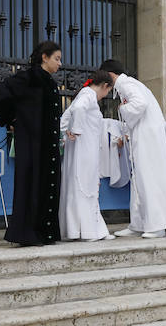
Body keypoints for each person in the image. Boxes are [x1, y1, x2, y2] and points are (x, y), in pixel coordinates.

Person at [0, 41, 64, 246]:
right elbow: (0, 94)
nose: (59, 63)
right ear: (44, 57)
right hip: (31, 142)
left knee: (47, 184)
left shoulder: (49, 82)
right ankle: (27, 233)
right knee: (31, 184)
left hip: (48, 144)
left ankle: (45, 232)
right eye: (56, 59)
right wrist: (12, 120)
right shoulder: (28, 77)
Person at [101, 59, 166, 239]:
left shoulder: (126, 83)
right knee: (139, 179)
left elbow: (140, 104)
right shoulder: (126, 84)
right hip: (144, 135)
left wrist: (123, 109)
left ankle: (157, 225)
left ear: (110, 74)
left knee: (149, 178)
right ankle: (138, 223)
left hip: (149, 138)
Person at [58, 71, 116, 241]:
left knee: (82, 186)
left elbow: (66, 115)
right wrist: (75, 130)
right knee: (84, 185)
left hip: (83, 147)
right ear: (105, 86)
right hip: (84, 149)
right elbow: (77, 109)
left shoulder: (85, 94)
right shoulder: (88, 95)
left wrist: (66, 130)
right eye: (108, 91)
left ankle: (80, 229)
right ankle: (88, 231)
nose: (106, 95)